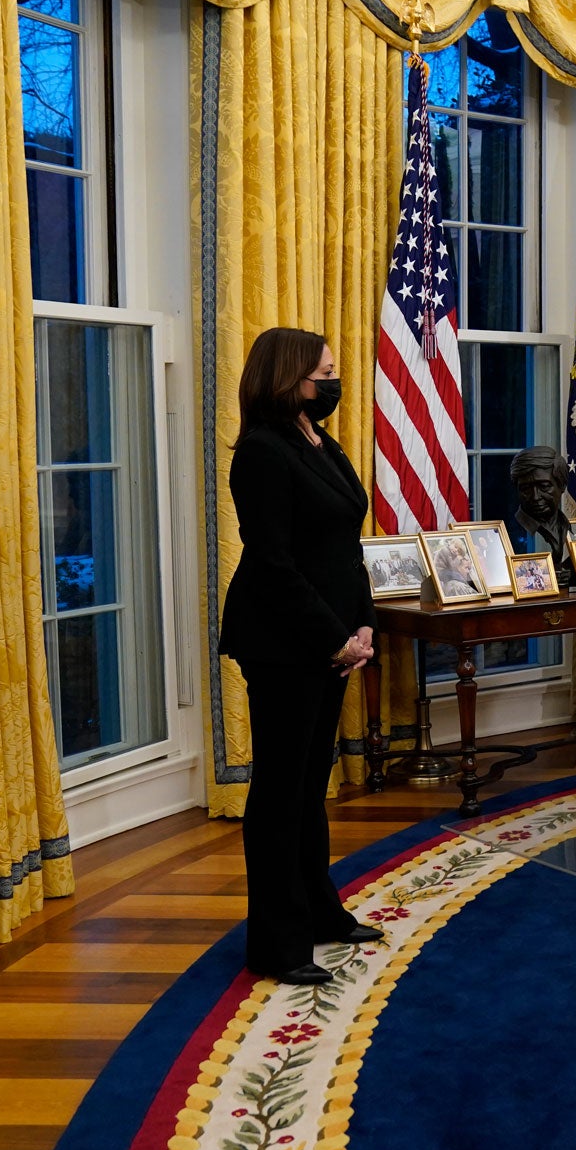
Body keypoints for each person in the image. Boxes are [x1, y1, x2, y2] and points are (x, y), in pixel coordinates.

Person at [217, 327, 383, 986]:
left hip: (335, 638)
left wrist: (363, 626)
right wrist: (332, 637)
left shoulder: (321, 440)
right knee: (281, 795)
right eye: (325, 375)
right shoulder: (261, 452)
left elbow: (345, 544)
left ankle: (320, 913)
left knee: (313, 787)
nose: (333, 385)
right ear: (287, 380)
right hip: (285, 644)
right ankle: (277, 944)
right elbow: (274, 564)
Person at [509, 447, 576, 586]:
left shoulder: (572, 529)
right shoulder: (510, 534)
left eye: (544, 486)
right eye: (526, 489)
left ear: (562, 485)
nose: (535, 497)